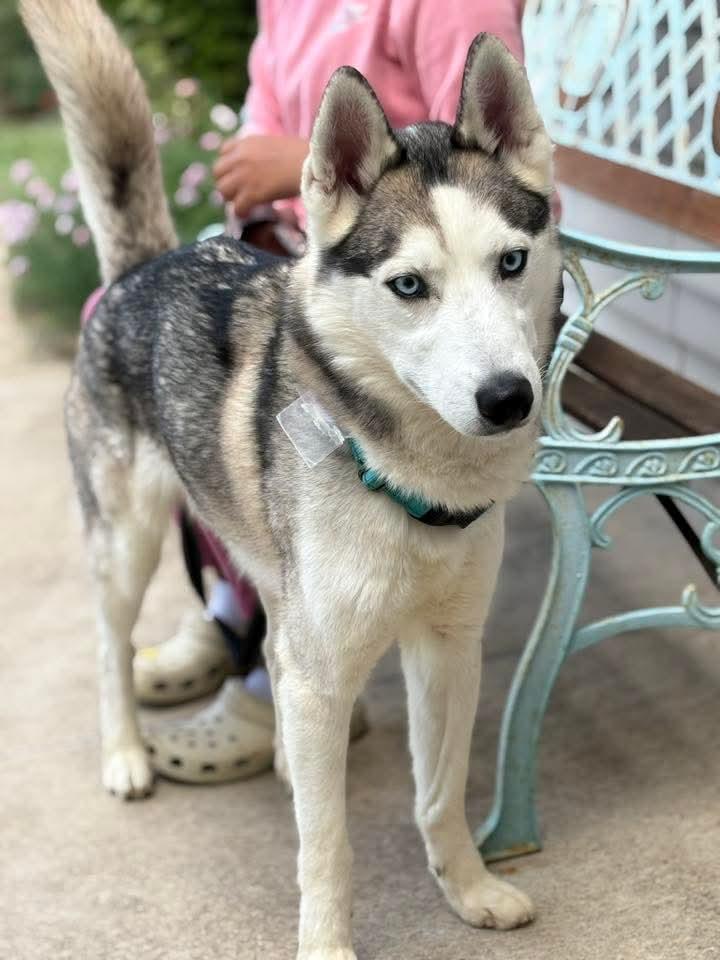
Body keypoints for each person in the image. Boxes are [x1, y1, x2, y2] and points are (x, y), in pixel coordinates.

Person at [137, 0, 529, 783]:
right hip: (307, 254)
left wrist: (294, 167)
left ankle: (273, 648)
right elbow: (263, 116)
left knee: (260, 400)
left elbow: (471, 178)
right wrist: (271, 188)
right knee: (170, 352)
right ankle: (247, 608)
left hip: (421, 276)